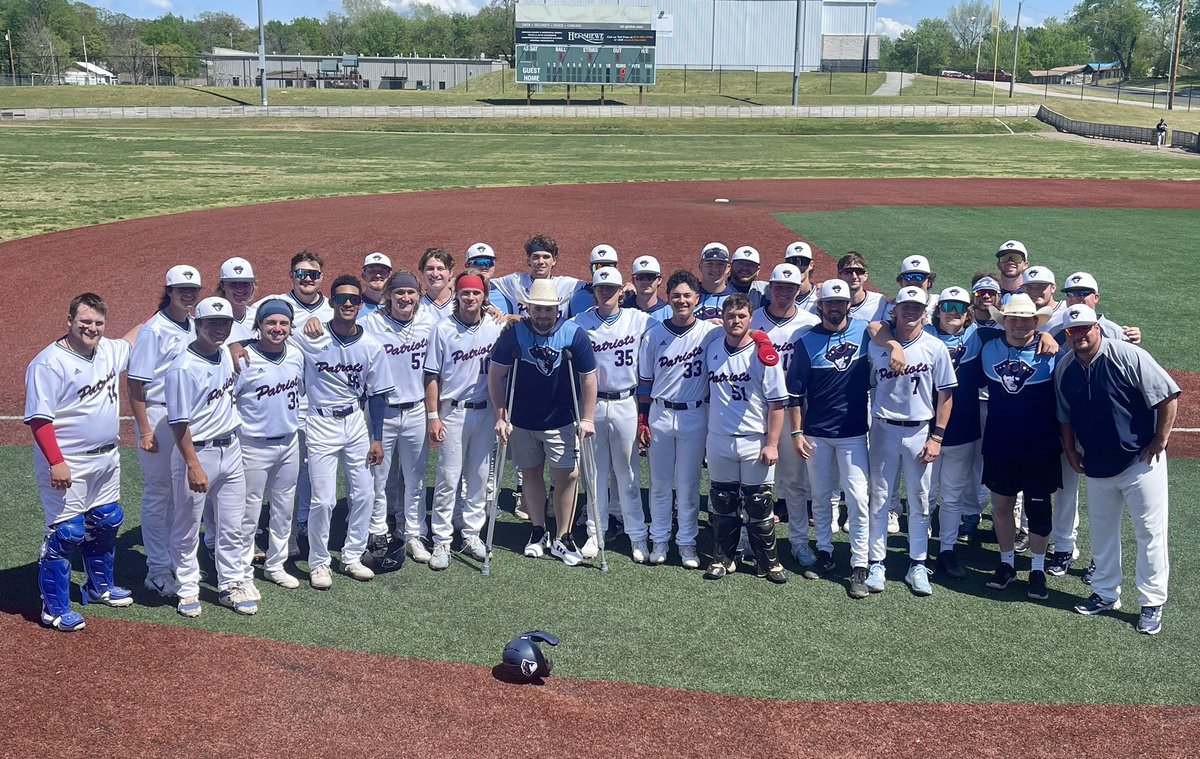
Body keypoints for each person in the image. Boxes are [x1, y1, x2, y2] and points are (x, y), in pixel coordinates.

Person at [1055, 304, 1179, 635]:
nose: (1079, 335)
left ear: (1097, 327)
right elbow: (1064, 415)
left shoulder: (1127, 355)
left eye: (1085, 328)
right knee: (1103, 532)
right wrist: (1069, 449)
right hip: (1096, 464)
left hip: (1140, 462)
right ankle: (1106, 594)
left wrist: (1160, 440)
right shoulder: (1065, 368)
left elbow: (1168, 395)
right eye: (1072, 330)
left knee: (1149, 533)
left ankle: (1152, 602)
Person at [25, 293, 137, 631]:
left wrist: (173, 303)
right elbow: (39, 420)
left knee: (106, 519)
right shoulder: (49, 363)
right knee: (67, 533)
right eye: (84, 322)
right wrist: (56, 462)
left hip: (106, 457)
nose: (91, 328)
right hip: (67, 463)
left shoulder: (107, 350)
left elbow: (137, 336)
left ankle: (99, 585)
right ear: (69, 321)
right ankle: (54, 608)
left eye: (98, 323)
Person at [290, 275, 393, 588]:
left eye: (353, 299)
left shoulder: (371, 346)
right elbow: (272, 333)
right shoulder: (311, 337)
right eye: (341, 299)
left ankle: (351, 556)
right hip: (320, 421)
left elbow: (378, 395)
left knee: (364, 493)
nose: (347, 304)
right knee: (323, 500)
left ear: (360, 305)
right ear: (332, 302)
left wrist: (377, 438)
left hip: (355, 422)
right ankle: (319, 562)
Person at [961, 293, 1061, 600]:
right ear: (1004, 321)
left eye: (1026, 320)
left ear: (1036, 322)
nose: (1018, 325)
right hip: (1000, 442)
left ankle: (1038, 569)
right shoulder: (988, 346)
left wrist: (1048, 336)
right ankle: (1006, 563)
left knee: (1039, 508)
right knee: (1002, 506)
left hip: (1040, 445)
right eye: (1012, 319)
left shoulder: (1051, 351)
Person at [491, 278, 597, 566]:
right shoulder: (514, 336)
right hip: (523, 420)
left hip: (561, 419)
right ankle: (538, 530)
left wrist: (587, 417)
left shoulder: (574, 334)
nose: (542, 315)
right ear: (528, 308)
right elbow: (495, 376)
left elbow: (589, 378)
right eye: (537, 309)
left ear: (557, 310)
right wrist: (501, 415)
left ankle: (564, 536)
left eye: (548, 310)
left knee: (568, 475)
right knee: (531, 473)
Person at [786, 280, 878, 590]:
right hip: (816, 434)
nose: (835, 308)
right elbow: (795, 395)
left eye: (840, 303)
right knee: (821, 497)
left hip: (853, 434)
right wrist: (797, 432)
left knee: (857, 498)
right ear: (821, 306)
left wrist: (891, 343)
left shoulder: (867, 331)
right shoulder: (806, 340)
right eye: (830, 303)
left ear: (848, 304)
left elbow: (889, 332)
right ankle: (825, 551)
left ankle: (860, 563)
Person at [864, 287, 955, 598]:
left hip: (919, 430)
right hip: (883, 428)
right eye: (906, 306)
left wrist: (937, 437)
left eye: (917, 307)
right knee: (879, 497)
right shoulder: (878, 344)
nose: (911, 312)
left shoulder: (935, 346)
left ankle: (917, 562)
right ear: (896, 310)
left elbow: (946, 395)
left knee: (919, 499)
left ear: (925, 312)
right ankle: (877, 561)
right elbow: (872, 328)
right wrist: (892, 344)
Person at [165, 296, 250, 617]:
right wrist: (192, 465)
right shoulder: (182, 368)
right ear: (197, 325)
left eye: (224, 323)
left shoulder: (225, 356)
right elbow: (178, 422)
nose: (218, 329)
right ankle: (187, 588)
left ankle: (230, 584)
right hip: (197, 453)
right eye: (211, 323)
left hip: (231, 450)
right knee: (187, 526)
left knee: (231, 525)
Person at [637, 270, 721, 568]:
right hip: (660, 413)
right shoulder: (655, 334)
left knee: (687, 484)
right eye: (676, 295)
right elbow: (645, 383)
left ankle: (686, 542)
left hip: (695, 414)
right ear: (668, 298)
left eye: (687, 295)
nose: (682, 300)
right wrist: (642, 419)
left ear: (697, 299)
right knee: (659, 483)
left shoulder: (710, 333)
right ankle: (659, 539)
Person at [703, 294, 788, 583]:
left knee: (759, 504)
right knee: (723, 502)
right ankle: (723, 558)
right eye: (730, 315)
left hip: (755, 438)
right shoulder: (712, 348)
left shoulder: (764, 354)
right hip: (719, 437)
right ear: (723, 317)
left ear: (751, 318)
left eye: (741, 316)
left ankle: (768, 562)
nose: (735, 321)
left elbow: (777, 404)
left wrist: (772, 443)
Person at [424, 271, 506, 571]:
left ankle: (471, 534)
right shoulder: (442, 328)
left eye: (476, 293)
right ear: (456, 295)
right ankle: (442, 539)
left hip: (485, 411)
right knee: (448, 478)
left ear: (484, 296)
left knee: (480, 476)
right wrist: (433, 415)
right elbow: (431, 375)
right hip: (453, 411)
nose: (470, 298)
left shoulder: (494, 327)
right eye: (465, 293)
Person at [128, 264, 200, 597]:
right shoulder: (154, 329)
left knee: (179, 494)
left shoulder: (194, 325)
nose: (188, 294)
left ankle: (175, 560)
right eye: (182, 288)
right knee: (159, 494)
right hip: (158, 417)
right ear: (168, 290)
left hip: (186, 418)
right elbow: (136, 383)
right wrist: (144, 430)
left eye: (194, 289)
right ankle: (156, 569)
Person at [571, 266, 652, 562]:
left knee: (627, 473)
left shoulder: (638, 319)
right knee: (595, 473)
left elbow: (679, 326)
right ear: (594, 290)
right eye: (600, 288)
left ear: (622, 291)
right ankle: (596, 531)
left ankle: (637, 535)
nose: (606, 292)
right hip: (592, 406)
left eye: (611, 288)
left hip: (626, 403)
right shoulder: (580, 322)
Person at [362, 271, 438, 567]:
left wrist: (498, 314)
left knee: (415, 477)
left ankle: (413, 533)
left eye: (411, 293)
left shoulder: (428, 321)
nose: (406, 298)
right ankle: (378, 531)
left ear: (418, 295)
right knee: (378, 478)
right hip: (382, 410)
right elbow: (340, 331)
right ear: (388, 295)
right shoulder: (372, 323)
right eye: (399, 293)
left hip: (416, 409)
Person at [232, 298, 306, 590]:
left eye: (283, 323)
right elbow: (230, 399)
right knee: (248, 511)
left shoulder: (296, 355)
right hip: (252, 445)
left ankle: (276, 564)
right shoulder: (242, 357)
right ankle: (242, 570)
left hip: (289, 442)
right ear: (259, 325)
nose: (277, 328)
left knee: (283, 508)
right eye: (271, 322)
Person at [749, 263, 819, 565]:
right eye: (779, 286)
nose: (784, 292)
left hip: (792, 410)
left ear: (798, 289)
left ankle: (799, 541)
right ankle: (749, 538)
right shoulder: (752, 319)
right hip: (753, 409)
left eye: (790, 288)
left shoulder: (810, 323)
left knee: (792, 481)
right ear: (770, 288)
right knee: (753, 481)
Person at [926, 286, 982, 579]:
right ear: (938, 309)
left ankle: (947, 550)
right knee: (925, 494)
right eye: (948, 306)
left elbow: (1022, 333)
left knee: (952, 497)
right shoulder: (922, 334)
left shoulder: (979, 336)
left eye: (960, 307)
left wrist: (1046, 335)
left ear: (968, 313)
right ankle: (919, 551)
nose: (953, 312)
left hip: (963, 431)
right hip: (926, 431)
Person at [490, 234, 584, 321]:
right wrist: (491, 308)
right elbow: (483, 285)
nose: (541, 261)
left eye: (546, 257)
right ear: (528, 260)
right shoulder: (516, 281)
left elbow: (595, 288)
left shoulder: (567, 284)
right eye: (536, 257)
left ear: (554, 261)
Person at [569, 244, 620, 316]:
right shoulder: (579, 297)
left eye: (608, 266)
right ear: (590, 269)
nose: (603, 271)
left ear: (617, 268)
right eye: (597, 267)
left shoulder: (628, 294)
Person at [464, 242, 515, 315]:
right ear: (467, 265)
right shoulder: (461, 294)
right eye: (479, 262)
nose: (484, 267)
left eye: (489, 262)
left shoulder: (504, 289)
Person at [835, 252, 888, 322]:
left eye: (859, 271)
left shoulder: (879, 302)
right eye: (848, 272)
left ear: (865, 275)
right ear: (839, 276)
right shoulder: (830, 303)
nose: (854, 276)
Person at [216, 257, 258, 343]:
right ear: (223, 286)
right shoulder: (212, 320)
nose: (240, 289)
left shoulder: (259, 317)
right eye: (233, 284)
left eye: (245, 284)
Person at [622, 255, 670, 322]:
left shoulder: (670, 314)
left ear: (659, 280)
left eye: (650, 277)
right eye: (640, 277)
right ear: (633, 280)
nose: (645, 281)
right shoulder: (622, 310)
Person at [695, 243, 736, 320]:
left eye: (720, 264)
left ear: (728, 268)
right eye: (709, 264)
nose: (715, 269)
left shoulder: (737, 298)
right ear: (700, 267)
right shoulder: (688, 296)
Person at [419, 248, 455, 321]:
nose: (435, 274)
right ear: (423, 272)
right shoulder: (417, 305)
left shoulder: (461, 301)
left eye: (440, 269)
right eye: (430, 269)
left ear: (450, 273)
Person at [359, 252, 393, 319]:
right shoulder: (354, 305)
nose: (377, 275)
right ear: (363, 275)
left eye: (383, 272)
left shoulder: (396, 306)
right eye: (372, 271)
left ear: (390, 276)